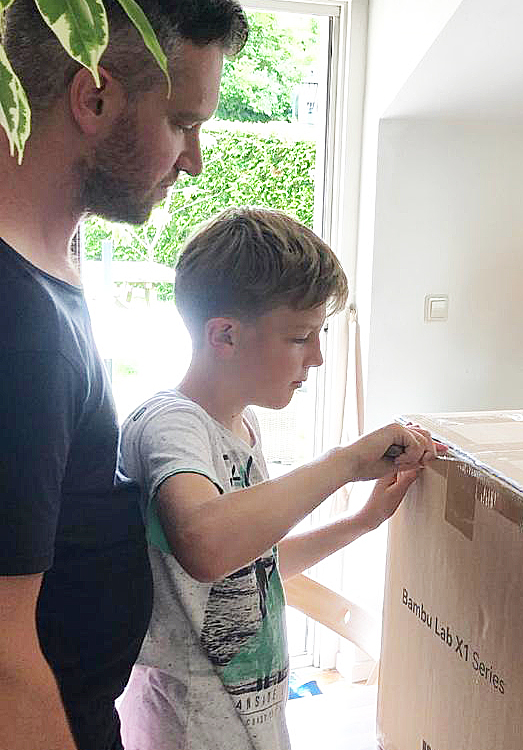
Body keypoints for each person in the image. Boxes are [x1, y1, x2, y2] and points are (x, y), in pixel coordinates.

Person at [0, 2, 248, 749]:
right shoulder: (19, 328)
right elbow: (4, 666)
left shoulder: (50, 269)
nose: (194, 160)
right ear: (95, 97)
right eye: (182, 122)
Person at [116, 206, 439, 750]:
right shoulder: (170, 424)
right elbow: (207, 544)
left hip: (252, 725)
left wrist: (361, 521)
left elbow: (251, 571)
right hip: (187, 730)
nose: (317, 357)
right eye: (299, 337)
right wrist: (344, 462)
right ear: (225, 335)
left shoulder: (243, 426)